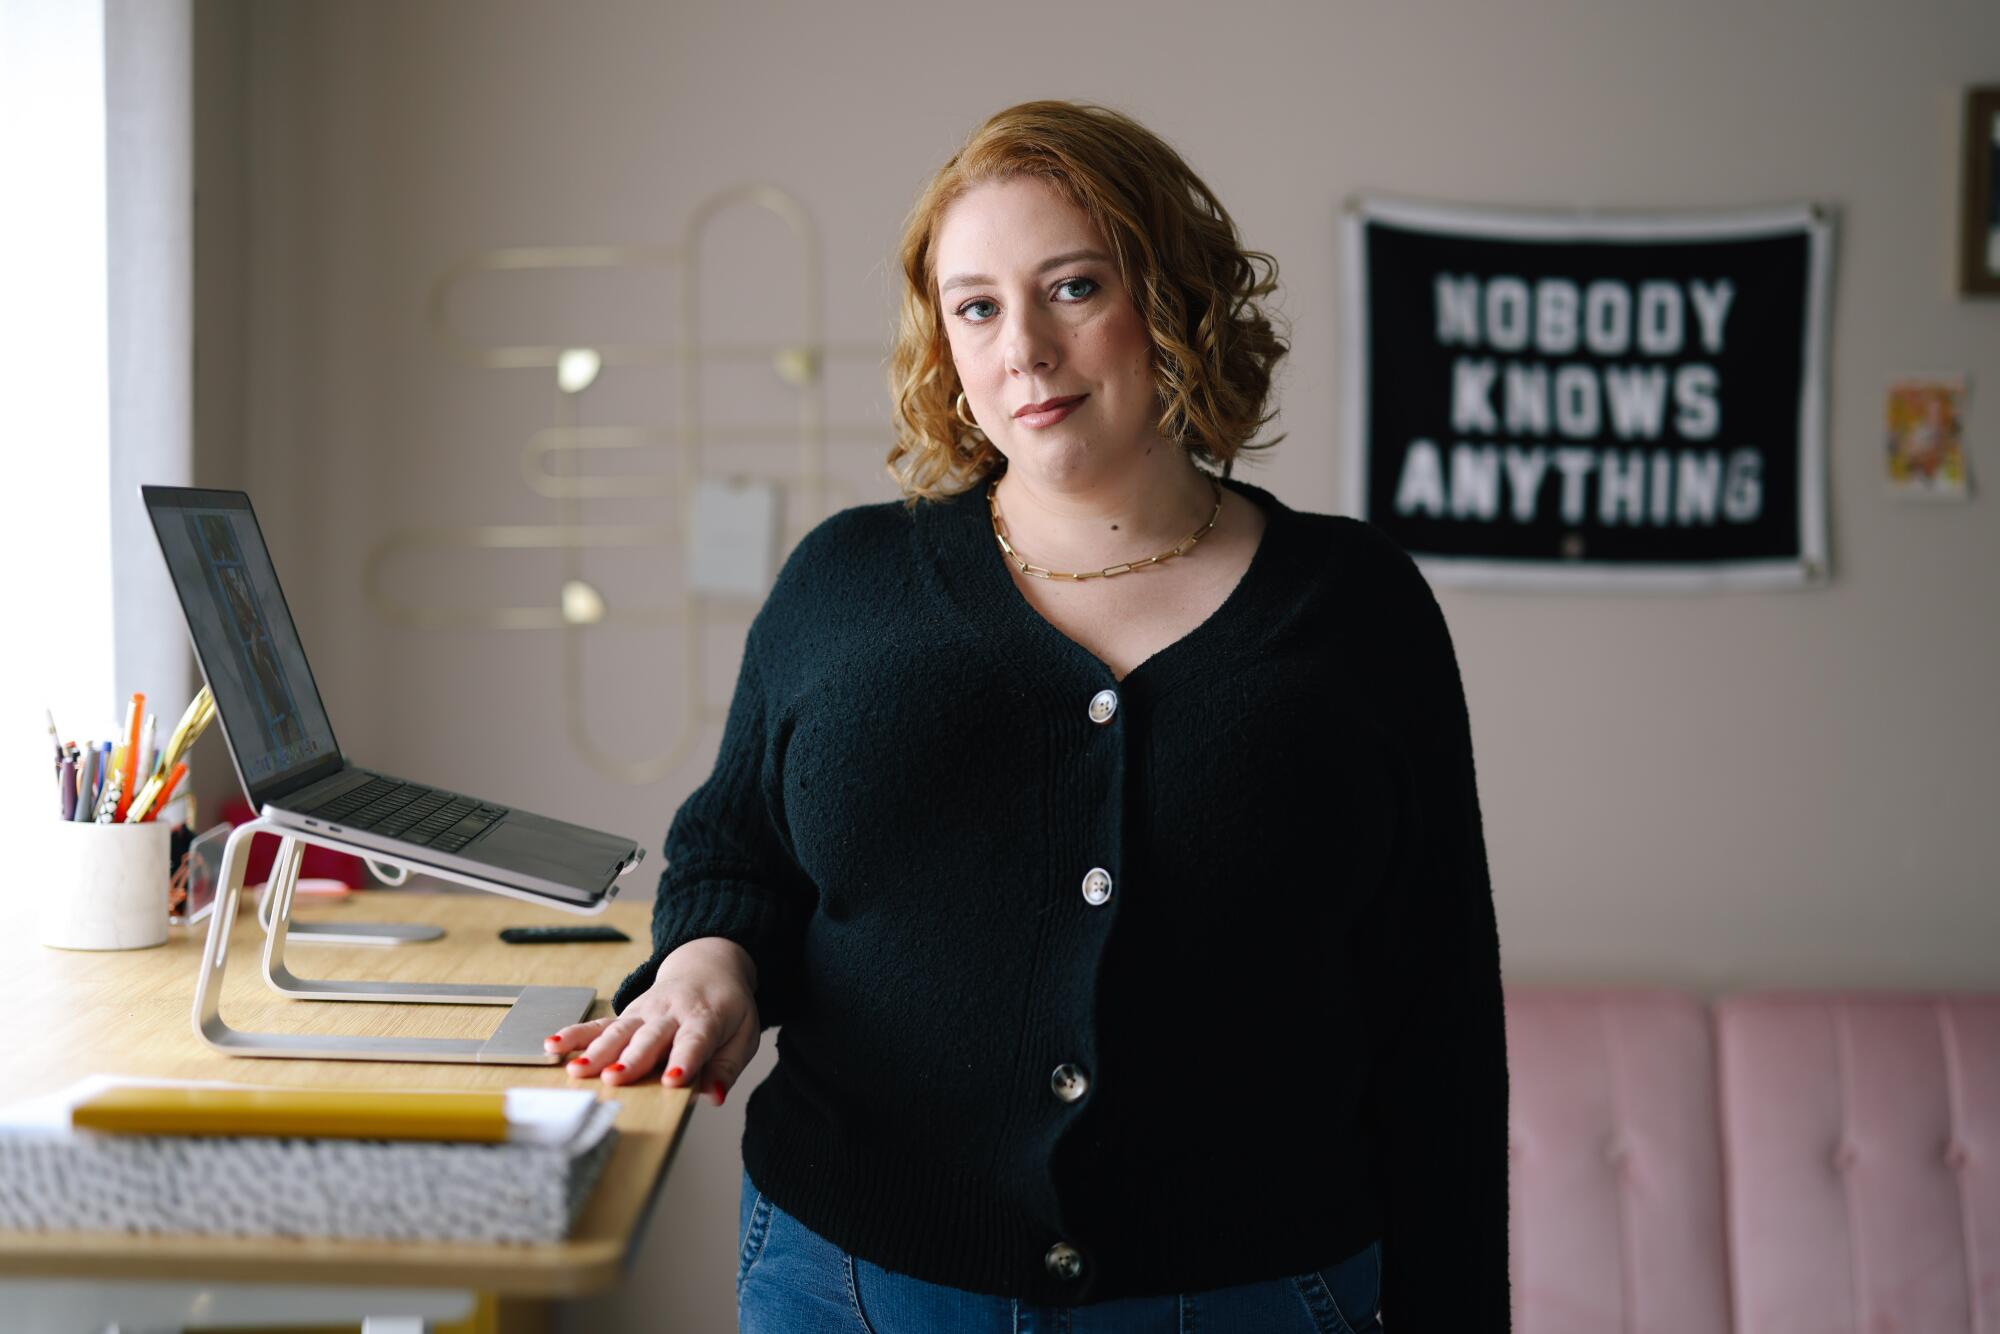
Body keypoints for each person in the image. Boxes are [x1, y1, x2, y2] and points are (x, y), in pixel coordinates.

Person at [546, 99, 1510, 1333]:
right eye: (976, 306)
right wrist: (704, 967)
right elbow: (737, 858)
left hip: (1248, 1295)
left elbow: (1435, 1015)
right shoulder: (842, 583)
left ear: (1170, 299)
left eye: (1071, 287)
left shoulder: (1354, 613)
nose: (1024, 352)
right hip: (848, 1285)